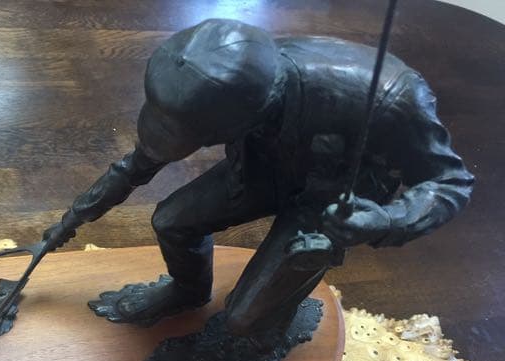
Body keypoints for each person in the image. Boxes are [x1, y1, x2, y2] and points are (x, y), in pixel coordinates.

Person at [42, 18, 474, 337]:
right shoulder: (218, 82)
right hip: (261, 165)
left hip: (330, 201)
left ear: (247, 115)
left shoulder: (393, 98)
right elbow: (139, 164)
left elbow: (450, 183)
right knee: (170, 221)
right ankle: (188, 291)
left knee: (243, 319)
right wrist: (70, 222)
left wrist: (384, 220)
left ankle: (265, 335)